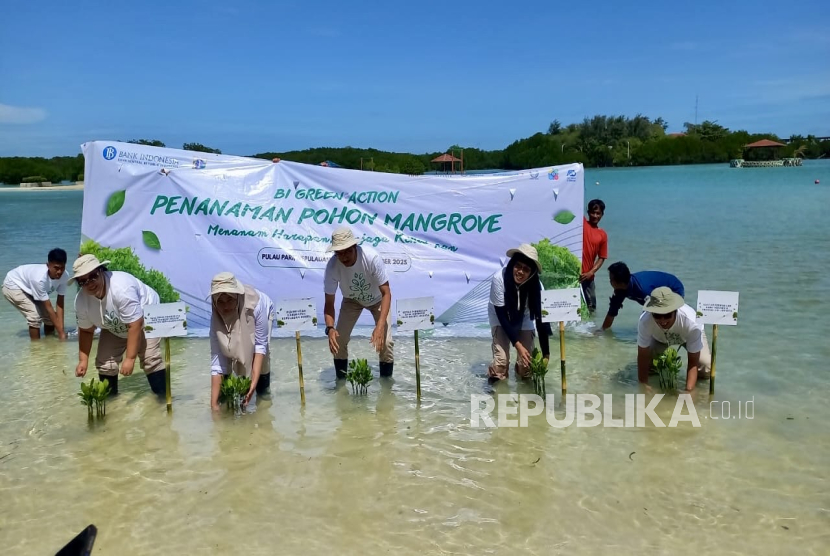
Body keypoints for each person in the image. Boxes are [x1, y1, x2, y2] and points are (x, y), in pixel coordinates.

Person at [71, 254, 167, 396]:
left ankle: (162, 400)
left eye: (93, 276)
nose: (90, 283)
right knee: (105, 363)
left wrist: (130, 358)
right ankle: (112, 405)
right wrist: (83, 361)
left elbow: (135, 324)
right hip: (115, 321)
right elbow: (86, 331)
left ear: (101, 271)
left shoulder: (122, 288)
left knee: (150, 359)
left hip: (145, 315)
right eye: (83, 281)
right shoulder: (80, 301)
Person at [323, 226, 393, 378]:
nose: (344, 257)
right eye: (339, 253)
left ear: (355, 246)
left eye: (347, 250)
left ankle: (386, 389)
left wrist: (380, 326)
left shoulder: (371, 257)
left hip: (378, 300)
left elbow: (386, 293)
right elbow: (329, 303)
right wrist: (330, 328)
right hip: (351, 300)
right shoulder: (332, 267)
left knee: (386, 343)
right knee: (338, 341)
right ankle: (340, 388)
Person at [208, 272, 274, 412]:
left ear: (237, 296)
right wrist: (213, 405)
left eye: (230, 300)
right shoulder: (215, 316)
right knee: (227, 350)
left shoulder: (258, 304)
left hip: (259, 314)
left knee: (262, 361)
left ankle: (263, 396)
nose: (225, 306)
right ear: (214, 301)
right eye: (220, 301)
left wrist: (253, 385)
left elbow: (260, 345)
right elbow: (217, 359)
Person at [487, 244, 551, 381]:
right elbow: (502, 317)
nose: (520, 272)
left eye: (526, 269)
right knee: (501, 363)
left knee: (526, 365)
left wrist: (546, 354)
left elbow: (541, 320)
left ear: (532, 273)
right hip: (500, 317)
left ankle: (524, 395)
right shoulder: (499, 279)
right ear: (512, 265)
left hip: (525, 317)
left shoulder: (538, 288)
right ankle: (496, 394)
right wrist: (518, 346)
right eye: (518, 266)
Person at [637, 287, 711, 391]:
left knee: (705, 367)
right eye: (657, 315)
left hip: (687, 337)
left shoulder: (692, 322)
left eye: (667, 315)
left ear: (675, 311)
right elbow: (642, 354)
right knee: (649, 365)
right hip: (659, 338)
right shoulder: (645, 321)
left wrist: (689, 391)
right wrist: (643, 385)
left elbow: (693, 361)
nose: (662, 321)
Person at [2, 248, 69, 340]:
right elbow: (48, 306)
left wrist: (61, 330)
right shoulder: (39, 279)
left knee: (50, 318)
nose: (59, 272)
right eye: (56, 268)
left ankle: (50, 343)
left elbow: (60, 303)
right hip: (13, 285)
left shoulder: (65, 276)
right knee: (35, 316)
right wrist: (61, 334)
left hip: (29, 287)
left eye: (62, 268)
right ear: (48, 265)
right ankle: (36, 349)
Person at [601, 262, 685, 330]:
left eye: (611, 279)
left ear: (619, 282)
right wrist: (602, 331)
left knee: (661, 316)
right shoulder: (620, 290)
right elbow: (612, 312)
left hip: (674, 288)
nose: (610, 281)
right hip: (653, 293)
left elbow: (654, 310)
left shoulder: (642, 289)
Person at [579, 199, 608, 314]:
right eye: (592, 212)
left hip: (588, 278)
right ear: (588, 212)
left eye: (598, 213)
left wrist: (591, 272)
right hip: (574, 275)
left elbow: (602, 257)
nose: (595, 216)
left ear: (602, 215)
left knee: (591, 310)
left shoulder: (602, 234)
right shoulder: (581, 223)